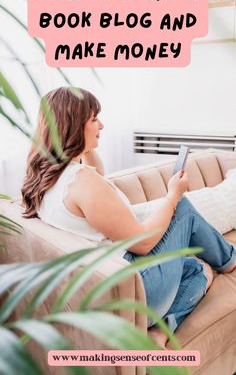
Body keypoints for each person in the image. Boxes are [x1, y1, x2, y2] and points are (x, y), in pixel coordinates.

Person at [21, 87, 236, 348]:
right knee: (183, 210)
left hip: (109, 282)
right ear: (74, 126)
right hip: (137, 289)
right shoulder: (83, 183)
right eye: (93, 119)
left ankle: (159, 333)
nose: (102, 124)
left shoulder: (45, 175)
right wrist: (172, 195)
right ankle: (229, 259)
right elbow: (143, 243)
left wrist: (83, 144)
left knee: (194, 270)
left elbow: (96, 171)